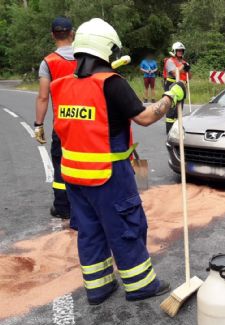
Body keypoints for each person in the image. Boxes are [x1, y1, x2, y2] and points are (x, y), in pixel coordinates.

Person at [50, 18, 186, 305]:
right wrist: (171, 96)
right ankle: (140, 285)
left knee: (89, 231)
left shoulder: (62, 85)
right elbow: (146, 117)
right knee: (126, 227)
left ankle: (98, 288)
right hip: (107, 175)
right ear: (106, 49)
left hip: (73, 177)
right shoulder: (112, 84)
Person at [34, 17, 77, 220]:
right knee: (87, 164)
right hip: (88, 123)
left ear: (53, 35)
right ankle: (85, 207)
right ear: (72, 33)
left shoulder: (48, 62)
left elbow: (43, 97)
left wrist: (38, 125)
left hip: (62, 125)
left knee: (61, 164)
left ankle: (62, 206)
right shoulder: (85, 56)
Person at [163, 41, 192, 135]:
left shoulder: (184, 62)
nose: (180, 52)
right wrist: (183, 66)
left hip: (182, 86)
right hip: (171, 86)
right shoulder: (169, 61)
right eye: (178, 51)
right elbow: (175, 73)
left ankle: (177, 129)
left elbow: (190, 77)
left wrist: (188, 69)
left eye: (181, 51)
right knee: (171, 108)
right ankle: (169, 130)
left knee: (179, 109)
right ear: (174, 51)